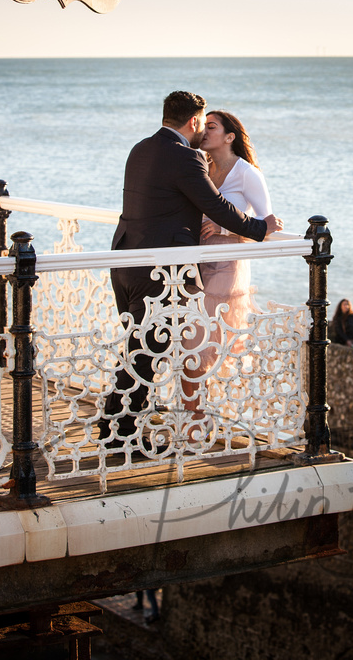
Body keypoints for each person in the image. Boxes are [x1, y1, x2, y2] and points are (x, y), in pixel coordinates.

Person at [100, 90, 283, 446]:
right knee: (143, 354)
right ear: (193, 121)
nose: (205, 130)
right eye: (204, 123)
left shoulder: (140, 148)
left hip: (125, 261)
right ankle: (117, 434)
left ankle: (123, 428)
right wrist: (261, 228)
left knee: (140, 350)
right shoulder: (187, 158)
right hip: (158, 272)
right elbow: (215, 205)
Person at [197, 110, 272, 337]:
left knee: (212, 334)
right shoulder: (201, 169)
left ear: (230, 137)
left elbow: (267, 225)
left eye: (211, 127)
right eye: (203, 126)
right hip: (195, 259)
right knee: (195, 328)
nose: (204, 131)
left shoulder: (247, 173)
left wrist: (224, 229)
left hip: (227, 264)